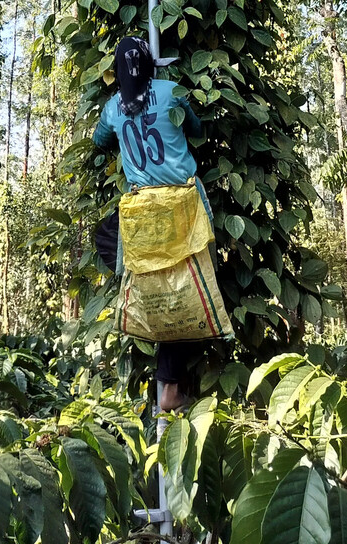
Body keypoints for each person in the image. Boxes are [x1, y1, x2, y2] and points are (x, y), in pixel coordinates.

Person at [94, 35, 206, 411]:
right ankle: (172, 387)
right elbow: (196, 129)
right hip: (181, 205)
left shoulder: (114, 106)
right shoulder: (171, 90)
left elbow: (99, 140)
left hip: (143, 211)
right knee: (186, 291)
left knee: (155, 285)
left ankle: (164, 383)